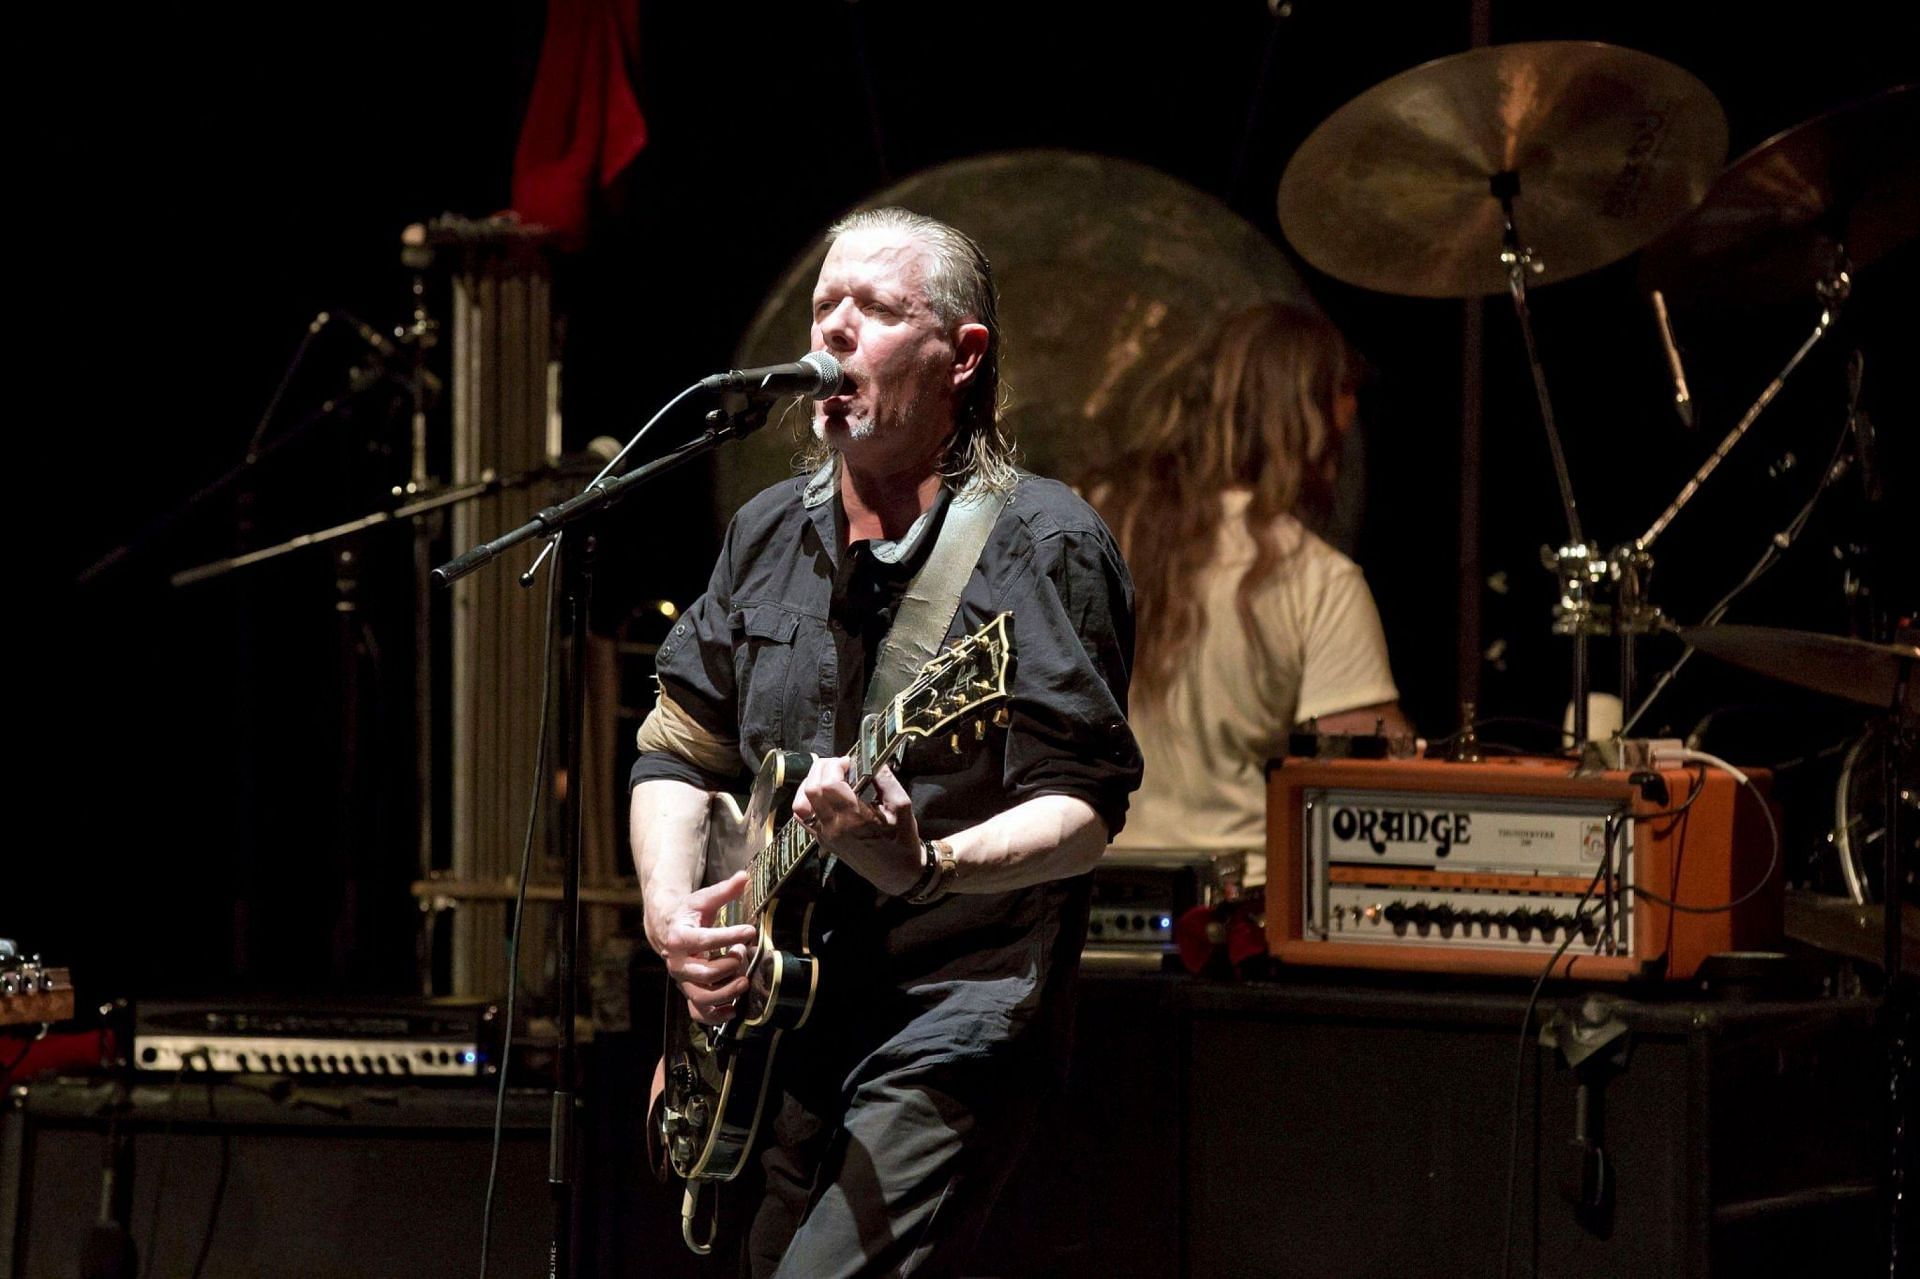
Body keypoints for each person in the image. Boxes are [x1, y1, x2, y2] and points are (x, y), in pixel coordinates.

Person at [629, 207, 1142, 1277]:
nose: (837, 331)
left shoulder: (1044, 543)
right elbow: (678, 748)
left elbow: (1087, 808)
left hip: (952, 1015)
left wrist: (929, 862)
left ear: (963, 357)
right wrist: (673, 912)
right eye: (826, 307)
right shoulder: (768, 530)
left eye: (876, 309)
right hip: (783, 1028)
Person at [1090, 301, 1409, 889]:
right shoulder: (1317, 578)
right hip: (1240, 917)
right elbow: (1371, 772)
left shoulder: (1100, 532)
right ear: (1306, 423)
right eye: (1340, 404)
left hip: (1086, 899)